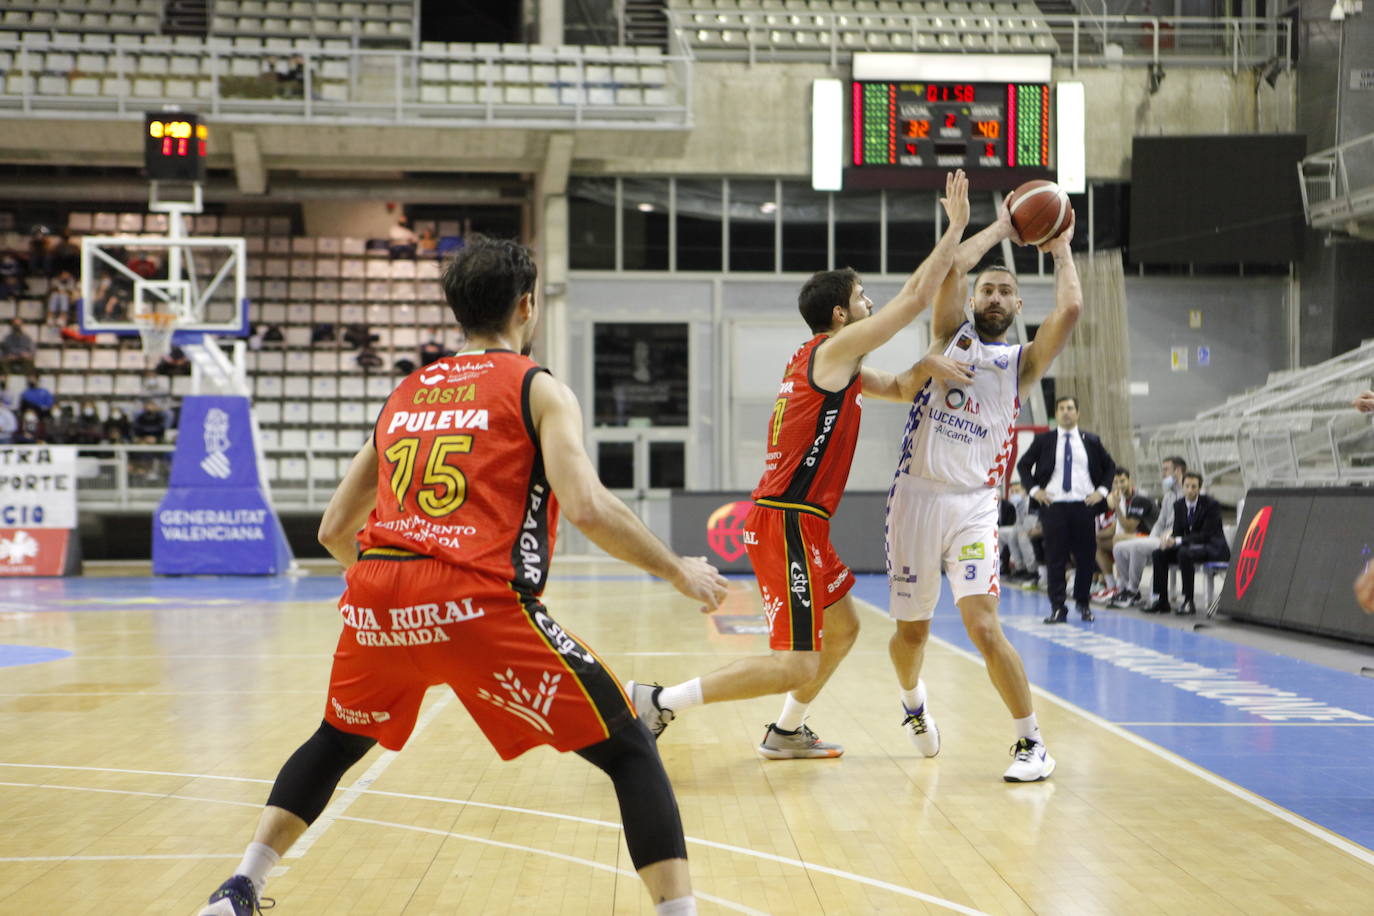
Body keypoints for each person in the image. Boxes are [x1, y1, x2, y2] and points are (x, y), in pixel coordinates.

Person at [193, 236, 728, 916]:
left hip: (378, 594)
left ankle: (239, 886)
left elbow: (333, 529)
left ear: (457, 312)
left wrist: (395, 596)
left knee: (338, 737)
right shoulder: (537, 387)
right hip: (474, 598)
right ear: (527, 306)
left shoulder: (406, 392)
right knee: (628, 744)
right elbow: (588, 506)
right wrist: (677, 569)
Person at [625, 170, 971, 760]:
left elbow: (902, 385)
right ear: (841, 314)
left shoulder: (832, 363)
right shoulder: (834, 351)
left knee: (845, 629)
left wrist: (933, 363)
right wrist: (957, 230)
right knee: (797, 661)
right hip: (787, 519)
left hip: (803, 522)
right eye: (863, 297)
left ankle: (785, 732)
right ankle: (660, 700)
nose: (871, 303)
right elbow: (915, 299)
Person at [885, 198, 1082, 783]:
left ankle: (1031, 744)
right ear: (975, 301)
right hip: (915, 500)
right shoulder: (949, 337)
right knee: (910, 635)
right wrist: (997, 228)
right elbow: (947, 270)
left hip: (972, 504)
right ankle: (913, 701)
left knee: (984, 625)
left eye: (1005, 292)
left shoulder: (1020, 364)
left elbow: (1069, 308)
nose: (994, 297)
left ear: (1019, 306)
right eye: (987, 290)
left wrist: (1062, 243)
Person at [1017, 396, 1115, 624]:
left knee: (1086, 558)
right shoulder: (1044, 440)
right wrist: (1034, 491)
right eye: (1061, 409)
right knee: (1055, 558)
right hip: (1054, 506)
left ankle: (1083, 602)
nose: (1066, 412)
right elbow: (1023, 465)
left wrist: (1101, 492)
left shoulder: (1091, 440)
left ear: (1078, 413)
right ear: (1056, 414)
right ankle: (1058, 607)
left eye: (1070, 408)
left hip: (1084, 505)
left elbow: (1110, 466)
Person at [1144, 471, 1229, 616]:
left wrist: (1177, 541)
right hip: (1190, 546)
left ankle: (1188, 601)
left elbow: (1205, 535)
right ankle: (1161, 600)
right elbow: (1178, 532)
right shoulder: (1179, 505)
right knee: (1159, 554)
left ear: (1199, 488)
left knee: (1184, 553)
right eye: (1187, 486)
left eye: (1194, 487)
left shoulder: (1211, 505)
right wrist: (1169, 540)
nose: (1190, 490)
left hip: (1212, 546)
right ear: (1182, 487)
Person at [1109, 456, 1185, 609]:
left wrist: (1167, 535)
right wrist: (1152, 537)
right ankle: (1128, 589)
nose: (1163, 473)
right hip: (1158, 537)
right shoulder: (1169, 495)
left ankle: (1132, 590)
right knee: (1118, 547)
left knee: (1137, 547)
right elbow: (1160, 522)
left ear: (1177, 471)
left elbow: (1184, 523)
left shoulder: (1187, 493)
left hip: (1174, 538)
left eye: (1166, 470)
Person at [1091, 468, 1157, 603]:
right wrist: (1093, 535)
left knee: (1118, 539)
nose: (1119, 485)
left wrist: (1117, 507)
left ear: (1130, 480)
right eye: (1116, 482)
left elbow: (1128, 527)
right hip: (1135, 537)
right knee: (1096, 541)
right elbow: (1113, 529)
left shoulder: (1139, 498)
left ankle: (1127, 587)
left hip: (1152, 537)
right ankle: (1112, 585)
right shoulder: (1122, 499)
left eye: (1122, 481)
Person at [999, 482, 1038, 581]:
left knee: (1022, 537)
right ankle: (1019, 568)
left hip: (1035, 526)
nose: (1014, 494)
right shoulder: (1017, 504)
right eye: (1012, 491)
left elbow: (1031, 520)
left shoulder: (1031, 501)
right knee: (1010, 536)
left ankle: (1032, 570)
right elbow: (1018, 522)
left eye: (1017, 491)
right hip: (1021, 526)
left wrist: (1022, 530)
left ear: (1025, 491)